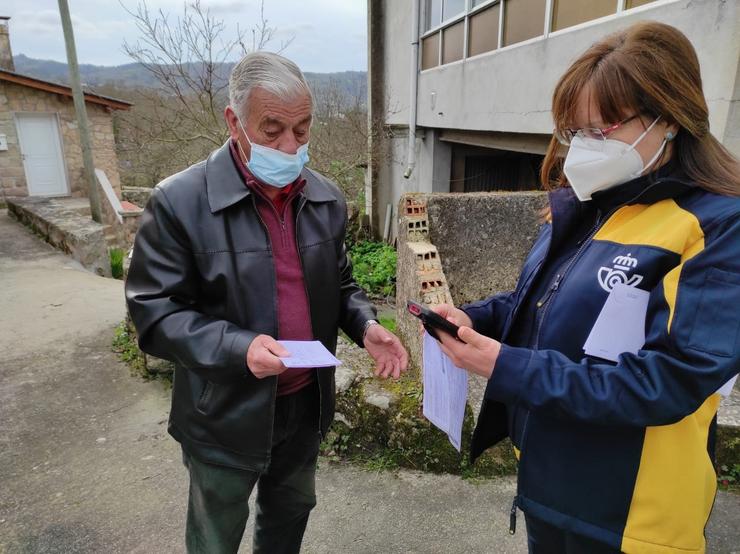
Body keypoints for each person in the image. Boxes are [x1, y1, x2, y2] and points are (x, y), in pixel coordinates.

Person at [432, 21, 740, 554]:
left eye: (607, 127)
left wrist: (504, 365)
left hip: (633, 514)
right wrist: (475, 318)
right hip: (549, 487)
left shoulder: (715, 225)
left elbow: (667, 380)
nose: (584, 147)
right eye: (576, 131)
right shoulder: (590, 205)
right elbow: (541, 304)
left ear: (668, 119)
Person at [125, 51, 408, 554]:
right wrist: (239, 348)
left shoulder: (325, 198)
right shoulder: (179, 202)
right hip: (224, 411)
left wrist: (366, 325)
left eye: (302, 129)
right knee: (215, 533)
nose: (290, 145)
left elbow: (340, 285)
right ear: (234, 121)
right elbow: (154, 311)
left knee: (290, 516)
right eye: (272, 129)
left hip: (303, 403)